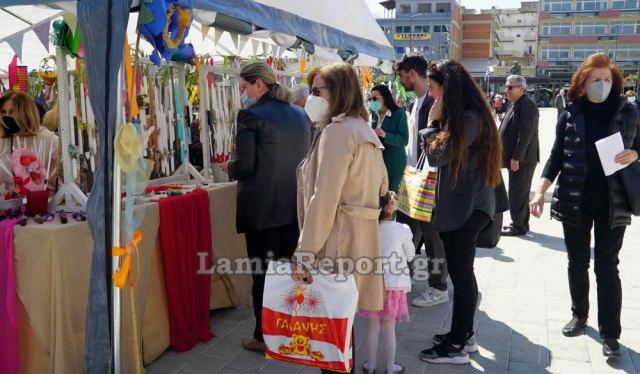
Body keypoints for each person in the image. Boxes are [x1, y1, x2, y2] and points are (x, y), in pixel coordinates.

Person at [529, 53, 639, 358]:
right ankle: (579, 314)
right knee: (577, 262)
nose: (602, 85)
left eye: (607, 80)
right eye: (595, 80)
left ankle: (611, 334)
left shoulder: (627, 111)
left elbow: (638, 147)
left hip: (612, 203)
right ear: (583, 81)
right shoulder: (570, 112)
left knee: (608, 267)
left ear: (614, 82)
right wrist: (539, 192)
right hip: (574, 200)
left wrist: (635, 155)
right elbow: (555, 157)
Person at [293, 62, 389, 374]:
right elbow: (383, 189)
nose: (312, 97)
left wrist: (304, 253)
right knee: (340, 332)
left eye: (317, 90)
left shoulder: (338, 132)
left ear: (338, 92)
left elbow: (325, 198)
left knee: (330, 339)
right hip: (358, 240)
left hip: (335, 242)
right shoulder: (363, 129)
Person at [418, 60, 508, 364]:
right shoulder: (468, 117)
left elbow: (438, 156)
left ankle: (457, 345)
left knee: (462, 274)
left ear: (448, 90)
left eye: (433, 89)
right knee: (461, 273)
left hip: (469, 208)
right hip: (467, 206)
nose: (431, 95)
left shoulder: (469, 119)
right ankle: (464, 335)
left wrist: (431, 125)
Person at [219, 62, 311, 352]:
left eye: (245, 87)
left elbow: (245, 166)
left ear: (259, 84)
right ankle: (289, 329)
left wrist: (229, 166)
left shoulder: (250, 116)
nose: (243, 93)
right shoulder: (301, 115)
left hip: (262, 210)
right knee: (287, 272)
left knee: (263, 274)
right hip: (293, 209)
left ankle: (263, 336)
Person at [394, 54, 449, 309]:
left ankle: (438, 287)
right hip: (414, 175)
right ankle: (400, 276)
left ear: (412, 73)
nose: (400, 80)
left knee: (430, 234)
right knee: (406, 229)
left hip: (428, 178)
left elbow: (436, 143)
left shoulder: (432, 102)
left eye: (402, 75)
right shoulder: (418, 102)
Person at [358, 191, 415, 374]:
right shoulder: (403, 229)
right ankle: (391, 367)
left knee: (372, 327)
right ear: (391, 206)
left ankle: (371, 365)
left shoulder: (369, 229)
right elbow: (410, 254)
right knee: (389, 328)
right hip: (394, 285)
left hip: (373, 284)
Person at [499, 75, 540, 236]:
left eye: (510, 87)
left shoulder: (527, 105)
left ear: (521, 88)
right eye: (506, 86)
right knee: (518, 191)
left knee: (518, 193)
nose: (506, 90)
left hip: (523, 159)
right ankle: (521, 222)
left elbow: (526, 134)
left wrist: (517, 157)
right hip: (517, 158)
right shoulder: (516, 103)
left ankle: (519, 226)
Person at [0, 92, 59, 192]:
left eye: (12, 112)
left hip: (44, 203)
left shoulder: (50, 140)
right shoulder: (2, 142)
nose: (6, 117)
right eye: (3, 112)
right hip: (8, 204)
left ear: (26, 113)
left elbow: (60, 178)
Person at [369, 84, 409, 192]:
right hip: (378, 164)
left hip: (394, 166)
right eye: (370, 98)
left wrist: (385, 135)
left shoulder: (399, 114)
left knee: (391, 201)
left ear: (385, 98)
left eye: (375, 98)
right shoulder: (374, 115)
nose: (372, 101)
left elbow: (404, 140)